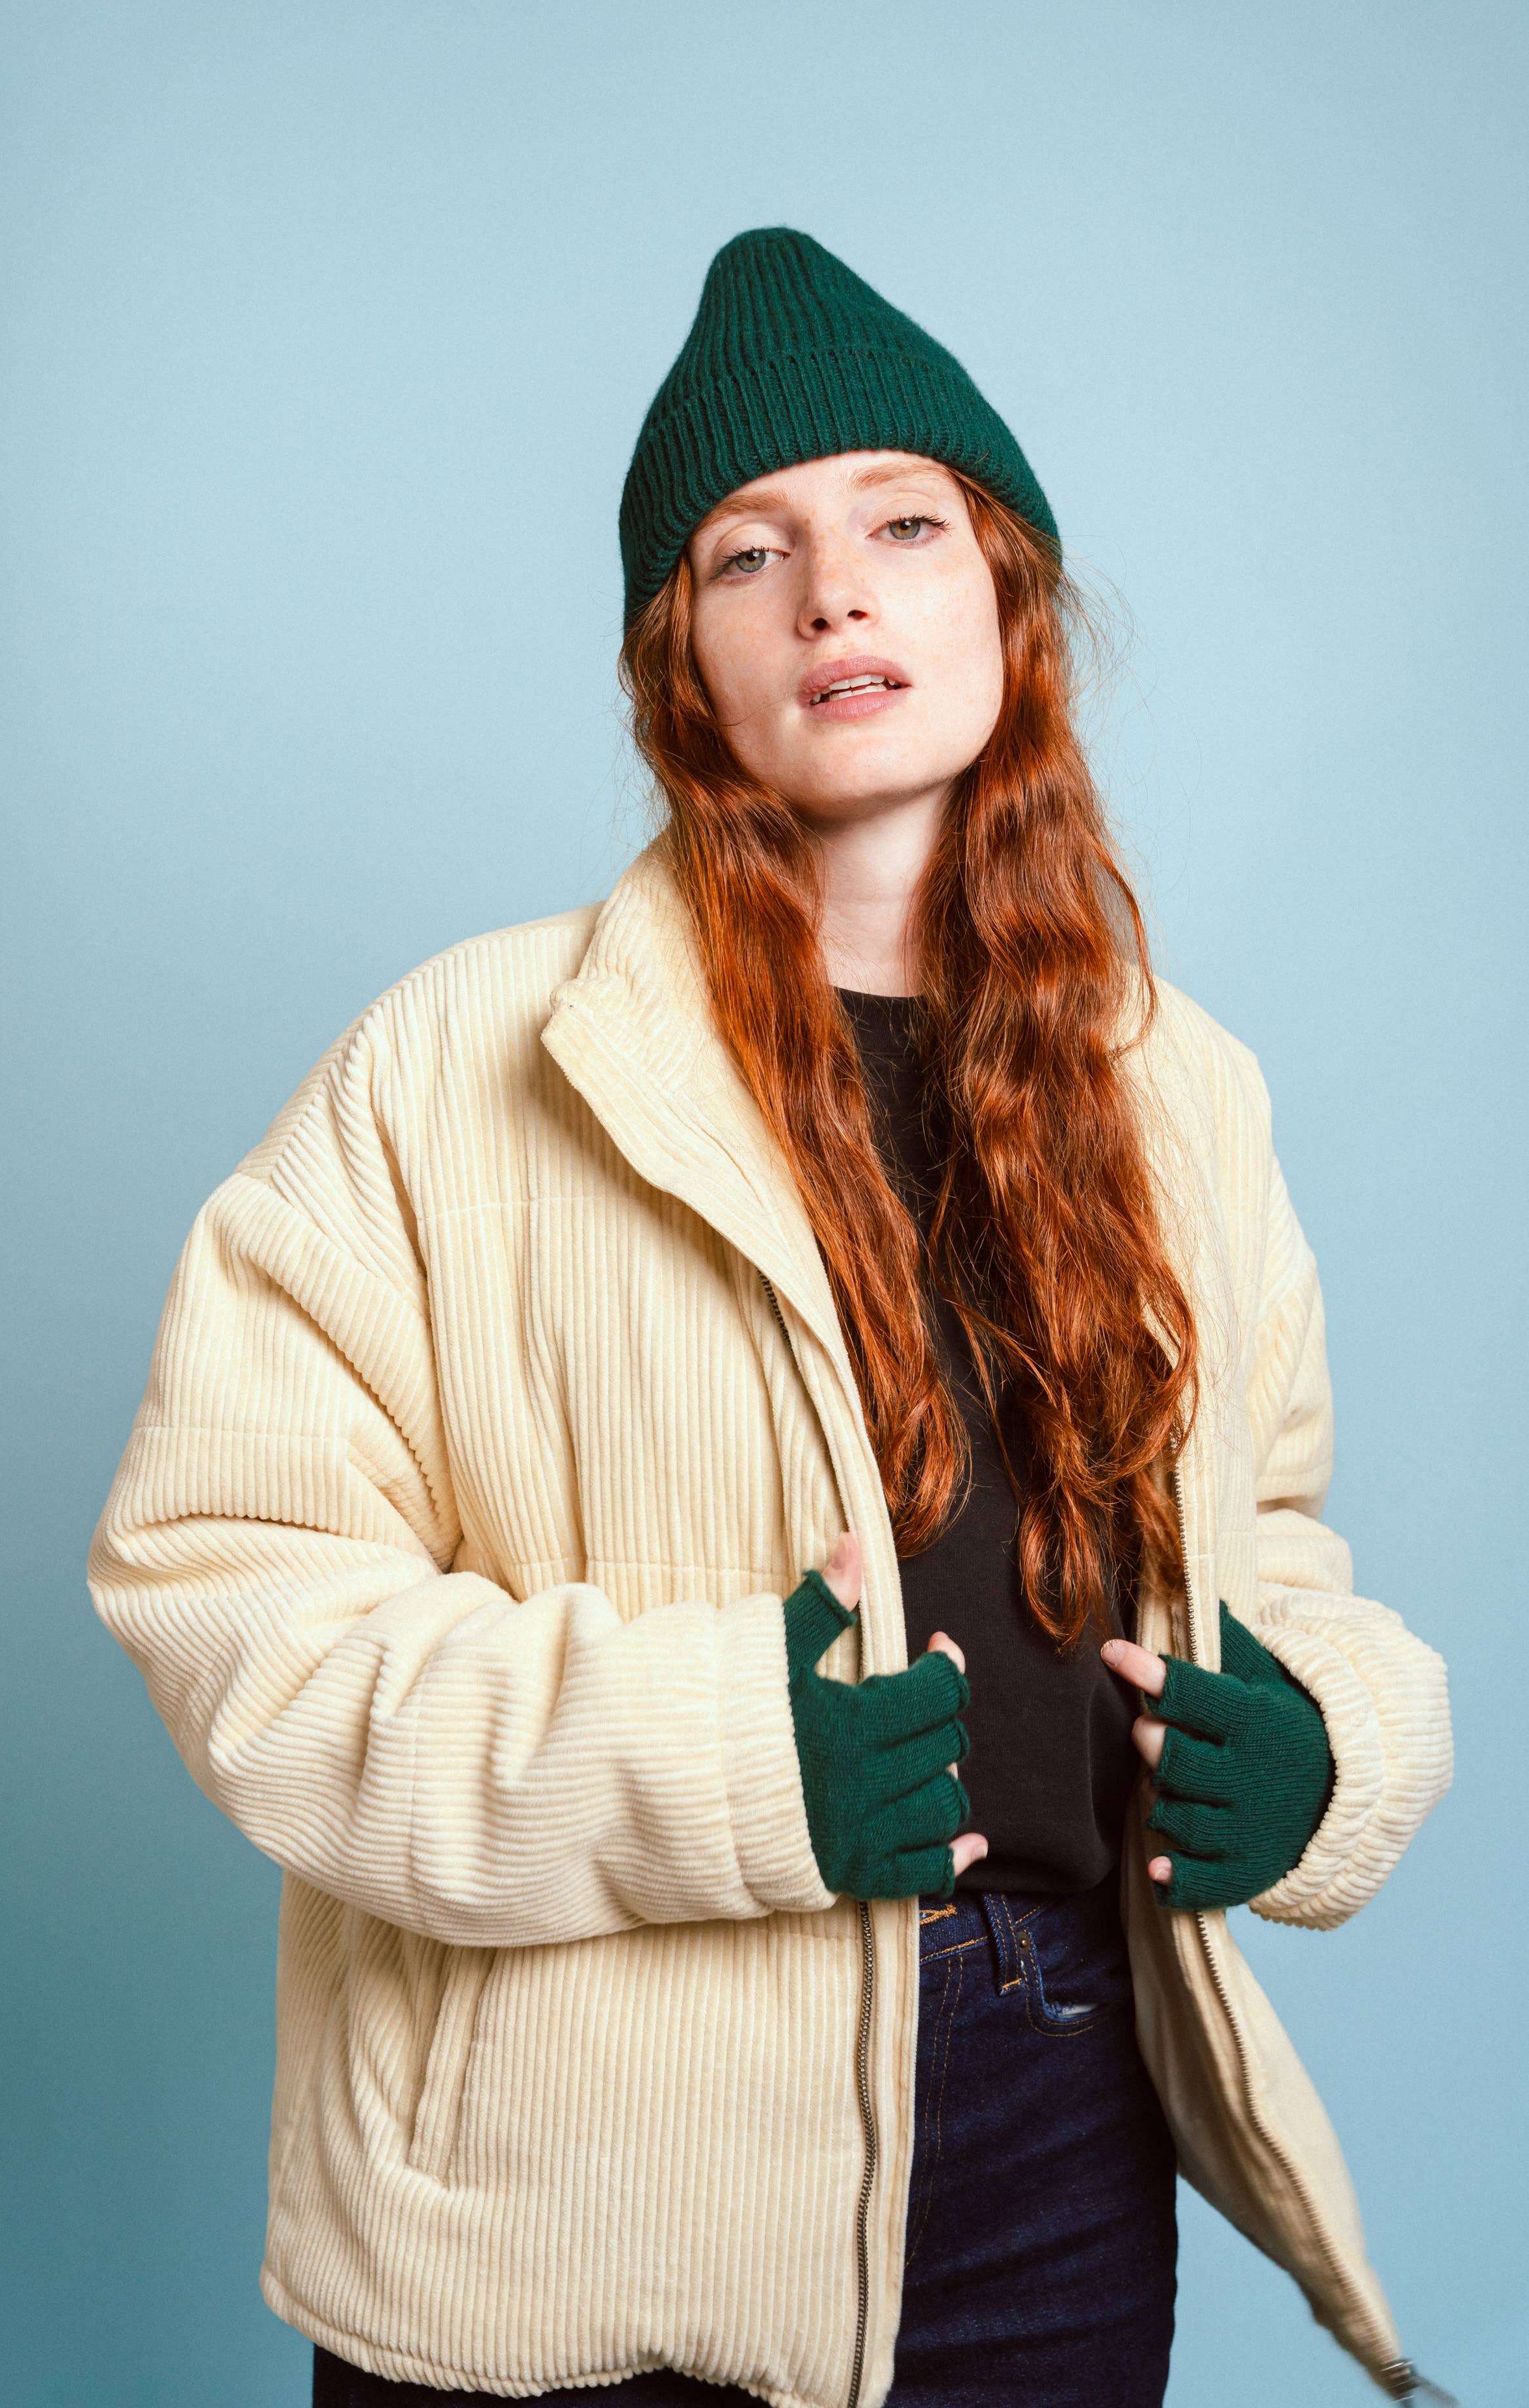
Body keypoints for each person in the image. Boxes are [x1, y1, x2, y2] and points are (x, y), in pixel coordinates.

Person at [88, 228, 1454, 2408]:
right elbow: (230, 1598)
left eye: (901, 526)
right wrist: (726, 1761)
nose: (832, 594)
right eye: (749, 552)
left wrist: (1327, 1745)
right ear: (683, 669)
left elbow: (1265, 1544)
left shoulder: (1177, 1090)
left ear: (1005, 600)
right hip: (566, 2158)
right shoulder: (454, 1066)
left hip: (1061, 2117)